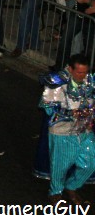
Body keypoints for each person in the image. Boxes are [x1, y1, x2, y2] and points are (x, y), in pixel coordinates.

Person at [39, 54, 95, 205]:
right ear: (70, 69)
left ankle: (72, 186)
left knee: (91, 162)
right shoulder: (57, 83)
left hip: (84, 129)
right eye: (79, 72)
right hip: (62, 131)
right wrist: (70, 113)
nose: (82, 76)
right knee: (61, 165)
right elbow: (47, 107)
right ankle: (56, 191)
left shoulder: (89, 81)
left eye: (85, 72)